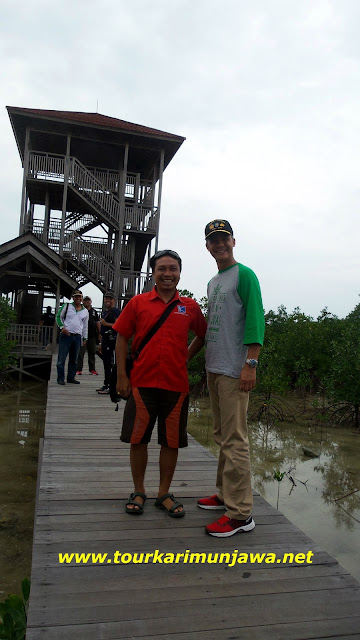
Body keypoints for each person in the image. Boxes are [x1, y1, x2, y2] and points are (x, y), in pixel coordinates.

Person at [114, 249, 207, 517]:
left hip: (176, 385)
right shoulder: (138, 303)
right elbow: (121, 337)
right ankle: (139, 490)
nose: (168, 274)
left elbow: (202, 335)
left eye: (173, 269)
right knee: (138, 439)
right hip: (141, 384)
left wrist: (183, 358)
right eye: (162, 269)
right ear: (153, 273)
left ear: (180, 273)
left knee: (171, 442)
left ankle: (164, 493)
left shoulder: (189, 306)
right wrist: (122, 376)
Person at [198, 219, 265, 537]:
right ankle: (225, 495)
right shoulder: (213, 282)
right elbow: (212, 325)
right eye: (214, 240)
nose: (219, 244)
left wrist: (250, 363)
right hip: (214, 368)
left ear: (233, 242)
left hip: (234, 369)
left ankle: (240, 514)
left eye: (224, 238)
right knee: (221, 435)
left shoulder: (245, 275)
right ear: (208, 246)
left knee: (236, 440)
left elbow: (255, 320)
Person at [56, 290, 88, 385]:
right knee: (61, 359)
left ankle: (71, 377)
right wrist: (62, 327)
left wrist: (85, 338)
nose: (78, 298)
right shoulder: (67, 306)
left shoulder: (85, 311)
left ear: (82, 298)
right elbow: (58, 317)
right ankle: (60, 378)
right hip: (66, 335)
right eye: (76, 297)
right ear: (73, 298)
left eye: (80, 297)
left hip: (77, 337)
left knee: (74, 359)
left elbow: (85, 325)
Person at [96, 291, 121, 394]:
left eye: (110, 299)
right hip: (105, 340)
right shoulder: (104, 312)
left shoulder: (115, 311)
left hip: (113, 341)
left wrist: (106, 323)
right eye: (106, 298)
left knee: (110, 364)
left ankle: (111, 387)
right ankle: (106, 384)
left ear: (114, 301)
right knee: (106, 364)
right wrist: (101, 343)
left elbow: (119, 324)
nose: (108, 300)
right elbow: (102, 329)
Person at [76, 296, 100, 375]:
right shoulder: (80, 310)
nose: (86, 302)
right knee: (81, 353)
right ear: (83, 301)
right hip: (82, 335)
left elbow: (97, 322)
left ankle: (92, 369)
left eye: (88, 300)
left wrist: (100, 333)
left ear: (91, 302)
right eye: (85, 300)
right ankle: (79, 369)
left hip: (92, 335)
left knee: (92, 352)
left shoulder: (94, 312)